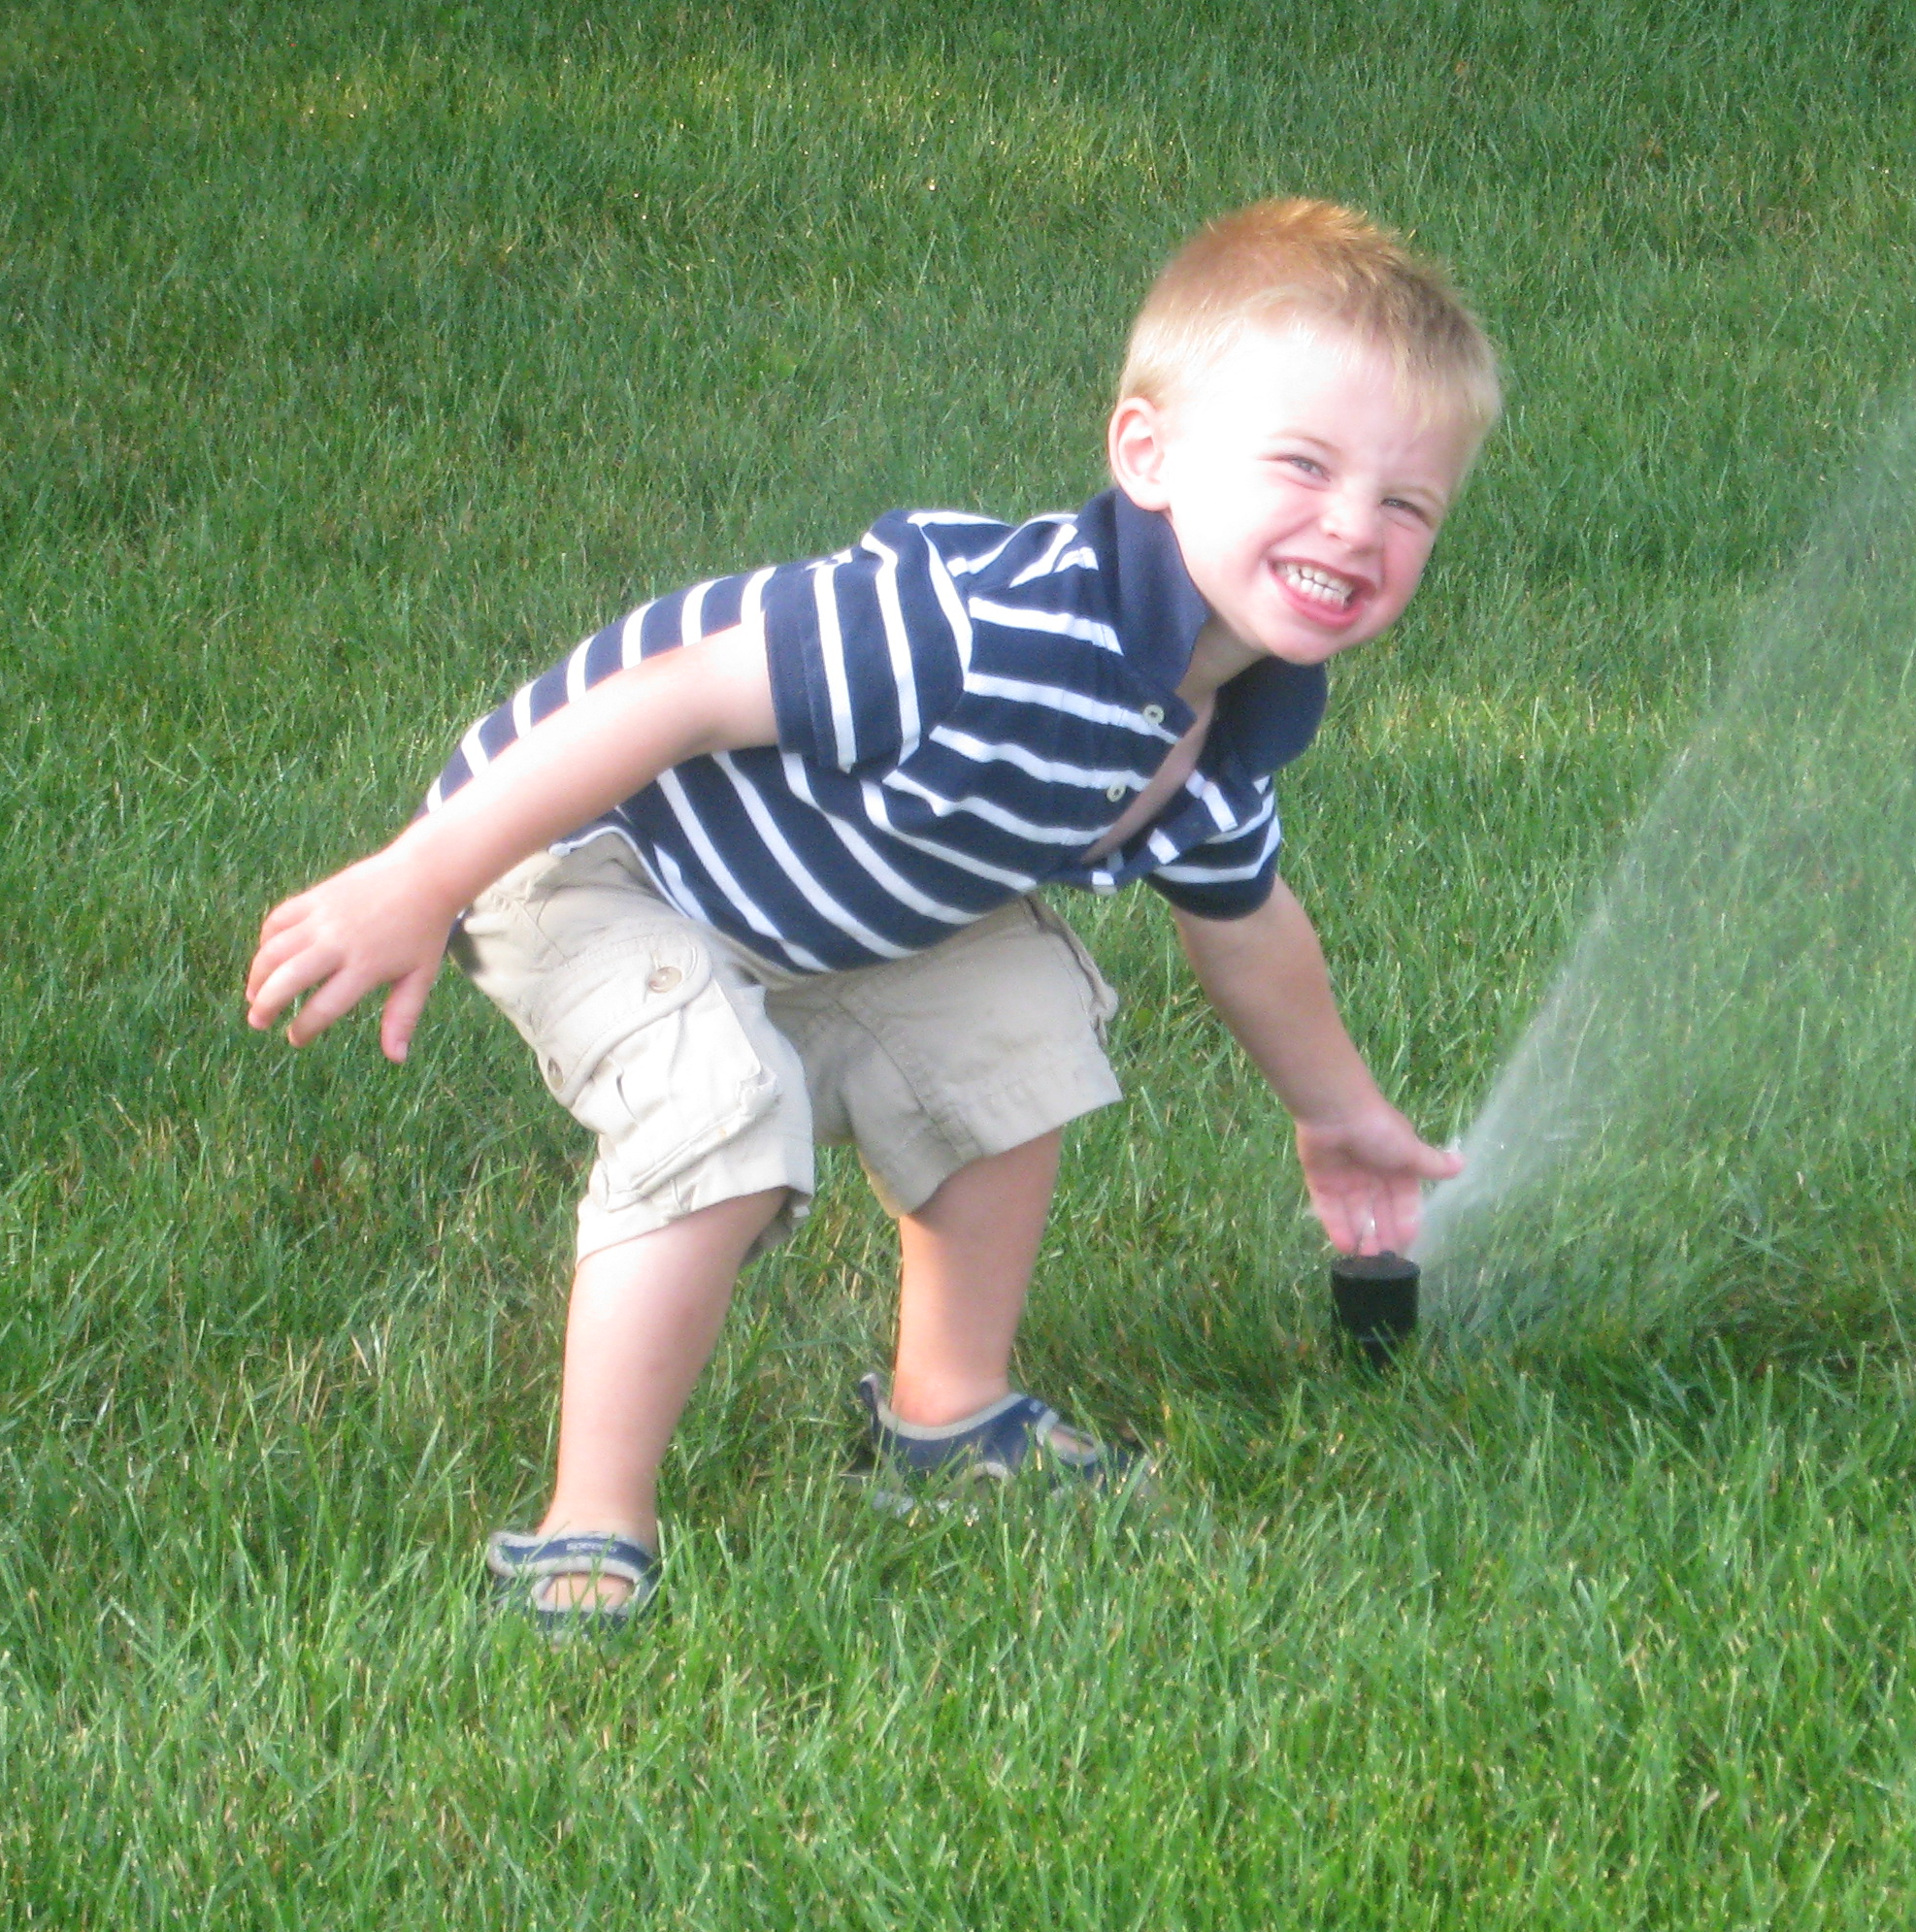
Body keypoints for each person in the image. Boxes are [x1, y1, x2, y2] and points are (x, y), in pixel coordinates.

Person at [243, 198, 1496, 1628]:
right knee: (719, 1103)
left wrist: (1339, 1114)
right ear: (1146, 457)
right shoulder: (978, 626)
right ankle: (591, 1515)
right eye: (1304, 466)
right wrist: (422, 872)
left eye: (1407, 503)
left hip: (817, 904)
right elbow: (674, 697)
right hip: (588, 848)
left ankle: (945, 1417)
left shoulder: (1227, 714)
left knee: (1016, 1017)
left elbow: (1250, 923)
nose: (1354, 524)